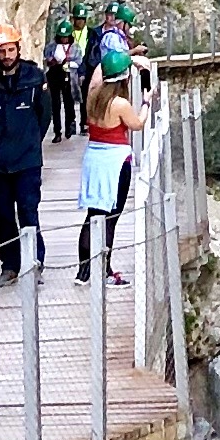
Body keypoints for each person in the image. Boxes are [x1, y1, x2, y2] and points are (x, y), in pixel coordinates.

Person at [0, 22, 50, 279]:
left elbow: (44, 116)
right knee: (4, 214)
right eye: (1, 51)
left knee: (28, 210)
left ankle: (35, 261)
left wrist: (29, 140)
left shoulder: (35, 77)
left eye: (10, 50)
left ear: (18, 48)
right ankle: (10, 265)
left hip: (27, 159)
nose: (7, 56)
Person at [75, 26, 146, 276]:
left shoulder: (93, 98)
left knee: (93, 214)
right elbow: (137, 124)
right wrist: (147, 103)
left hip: (93, 156)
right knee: (111, 218)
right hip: (115, 161)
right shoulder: (120, 104)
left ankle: (83, 271)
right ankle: (104, 270)